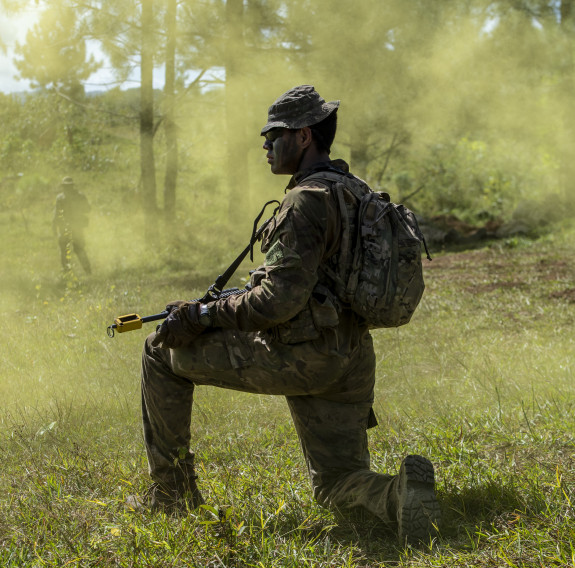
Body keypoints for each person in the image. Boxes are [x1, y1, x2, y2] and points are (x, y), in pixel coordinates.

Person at [128, 85, 440, 545]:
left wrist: (201, 315)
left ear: (304, 136)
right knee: (335, 482)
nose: (265, 145)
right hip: (351, 359)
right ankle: (397, 496)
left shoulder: (305, 201)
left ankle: (172, 496)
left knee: (159, 348)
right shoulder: (355, 192)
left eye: (273, 135)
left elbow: (277, 302)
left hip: (302, 356)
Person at [52, 176, 92, 275]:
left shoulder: (63, 198)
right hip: (68, 228)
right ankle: (70, 272)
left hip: (73, 228)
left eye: (68, 186)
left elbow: (87, 209)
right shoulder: (76, 196)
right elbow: (57, 214)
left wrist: (54, 226)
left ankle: (86, 271)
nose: (67, 188)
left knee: (77, 250)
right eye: (66, 186)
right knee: (69, 251)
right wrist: (54, 226)